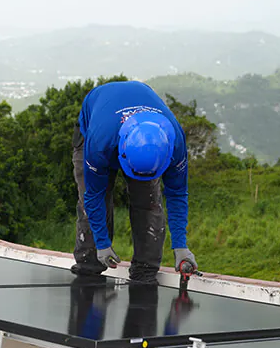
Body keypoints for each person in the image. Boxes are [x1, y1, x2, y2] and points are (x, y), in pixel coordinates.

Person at [71, 80, 197, 283]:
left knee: (148, 202)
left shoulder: (173, 143)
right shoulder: (99, 142)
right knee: (94, 204)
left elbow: (177, 194)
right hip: (99, 122)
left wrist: (181, 246)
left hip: (143, 136)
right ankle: (89, 265)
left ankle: (145, 272)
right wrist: (102, 244)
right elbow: (93, 196)